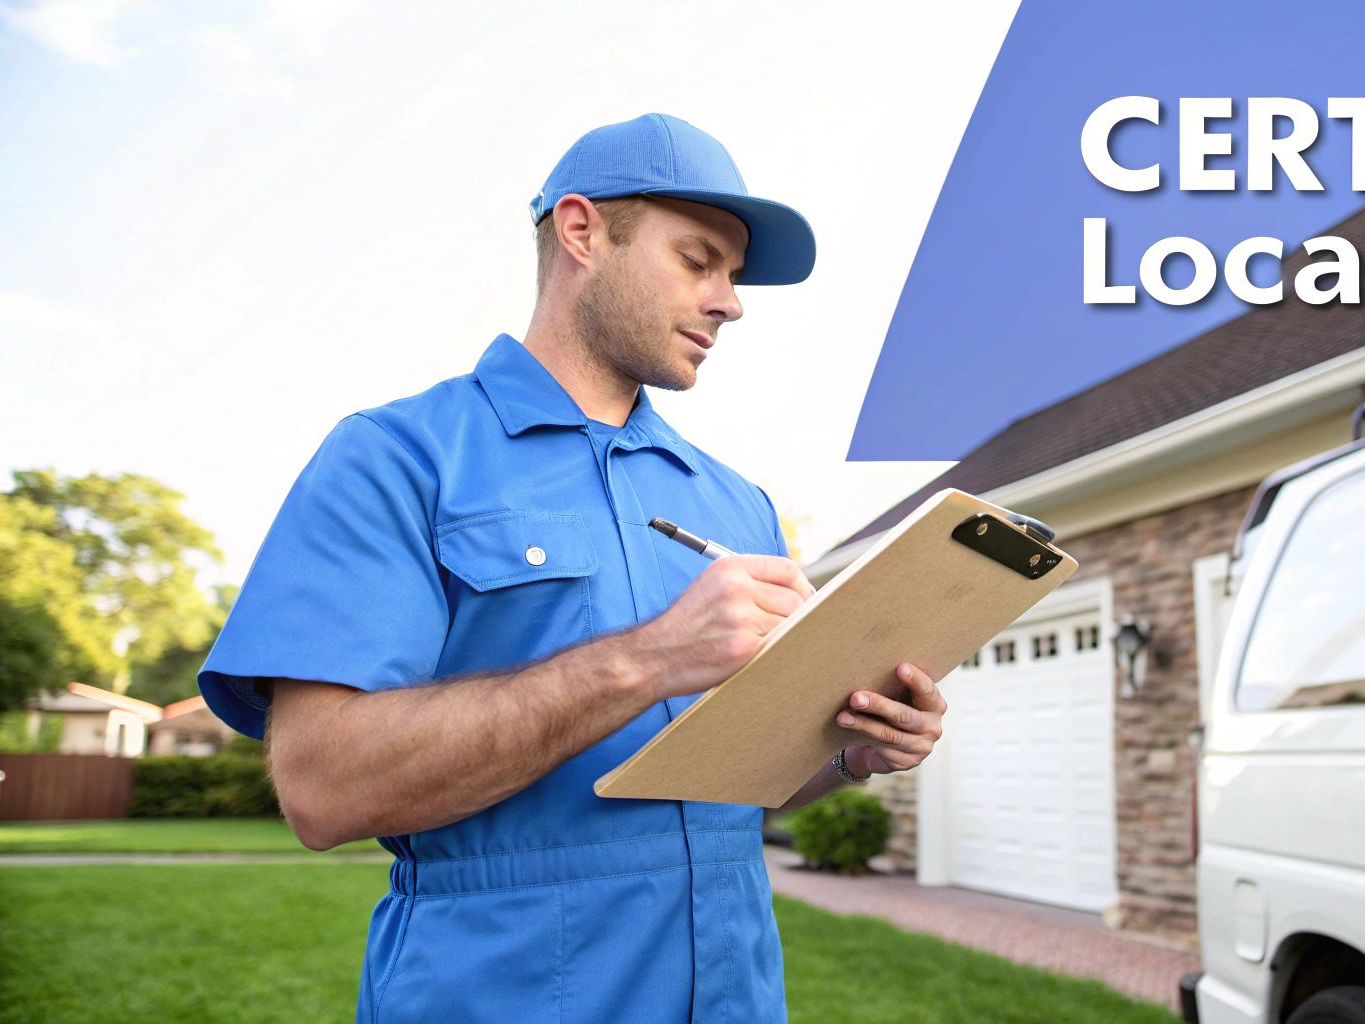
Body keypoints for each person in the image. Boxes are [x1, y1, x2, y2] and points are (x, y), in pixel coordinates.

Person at [197, 114, 948, 1024]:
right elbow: (322, 787)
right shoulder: (397, 458)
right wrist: (649, 660)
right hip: (496, 992)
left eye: (734, 276)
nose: (731, 302)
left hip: (737, 991)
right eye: (699, 260)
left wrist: (848, 751)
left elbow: (737, 787)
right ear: (583, 231)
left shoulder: (738, 503)